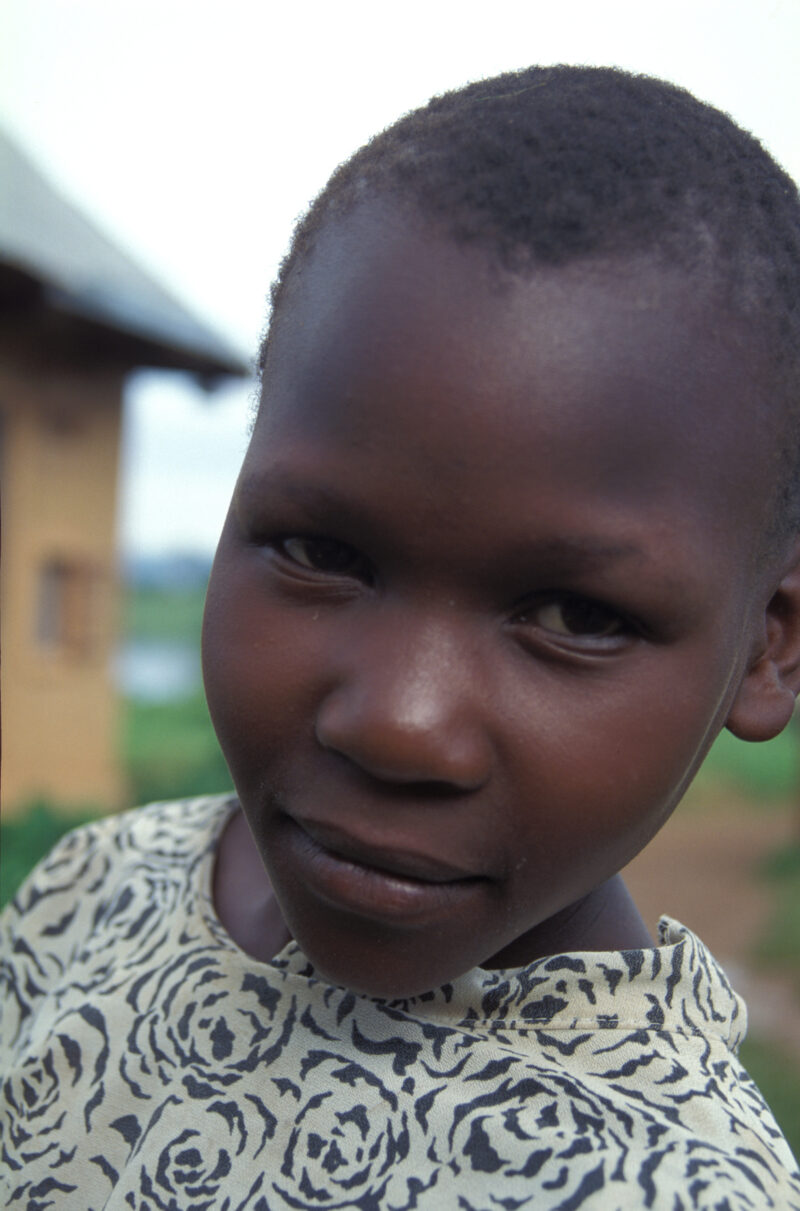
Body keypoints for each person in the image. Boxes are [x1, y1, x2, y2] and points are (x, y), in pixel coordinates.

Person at [3, 64, 800, 1210]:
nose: (397, 720)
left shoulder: (654, 1181)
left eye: (576, 617)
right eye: (320, 551)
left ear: (770, 645)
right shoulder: (96, 888)